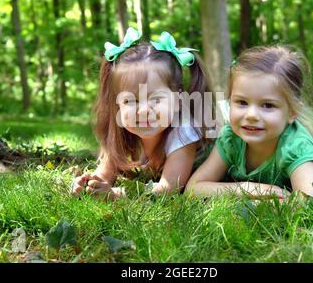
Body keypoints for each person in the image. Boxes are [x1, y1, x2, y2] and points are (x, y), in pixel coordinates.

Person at [185, 45, 313, 204]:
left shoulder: (294, 146)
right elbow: (193, 189)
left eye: (267, 105)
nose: (250, 115)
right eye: (241, 102)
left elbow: (310, 204)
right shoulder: (231, 137)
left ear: (292, 112)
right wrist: (248, 188)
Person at [72, 27, 213, 200]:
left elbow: (168, 189)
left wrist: (118, 194)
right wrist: (90, 184)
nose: (144, 110)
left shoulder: (183, 133)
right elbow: (104, 175)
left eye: (156, 99)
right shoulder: (120, 132)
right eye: (130, 101)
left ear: (178, 101)